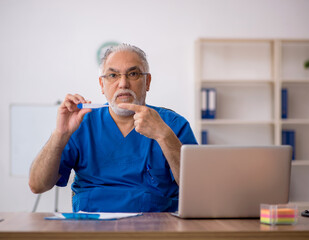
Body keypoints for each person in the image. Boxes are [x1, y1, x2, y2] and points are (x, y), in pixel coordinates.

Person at [28, 44, 197, 212]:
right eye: (113, 75)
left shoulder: (172, 125)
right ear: (102, 84)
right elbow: (37, 185)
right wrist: (60, 134)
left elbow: (197, 189)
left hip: (155, 230)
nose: (123, 83)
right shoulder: (82, 124)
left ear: (147, 82)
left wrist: (164, 136)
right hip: (91, 229)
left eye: (133, 74)